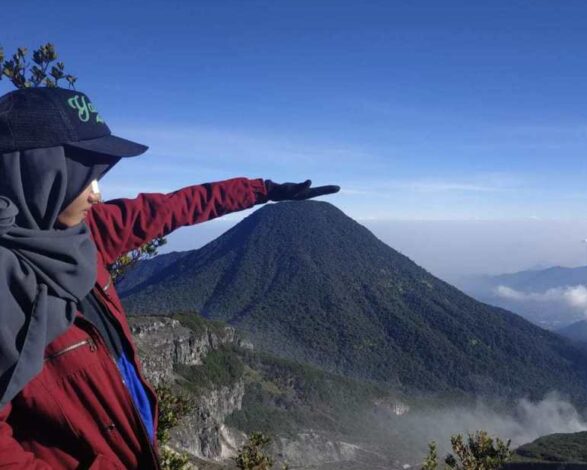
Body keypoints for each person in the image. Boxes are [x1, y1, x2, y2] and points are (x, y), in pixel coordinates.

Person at [0, 87, 339, 469]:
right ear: (42, 174)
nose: (98, 194)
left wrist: (260, 190)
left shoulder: (80, 237)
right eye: (87, 177)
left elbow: (172, 208)